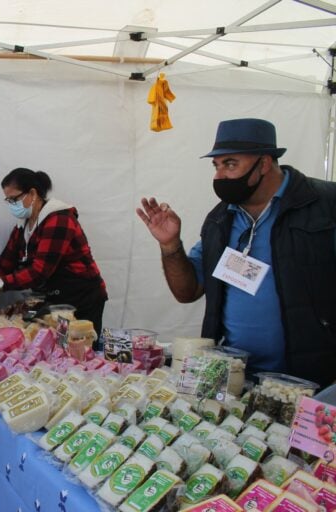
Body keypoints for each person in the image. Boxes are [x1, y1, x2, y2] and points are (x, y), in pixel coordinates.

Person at [136, 118, 336, 387]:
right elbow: (188, 292)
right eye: (216, 166)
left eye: (230, 164)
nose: (219, 176)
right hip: (236, 376)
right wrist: (170, 245)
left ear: (264, 163)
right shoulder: (220, 220)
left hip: (310, 378)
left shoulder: (324, 204)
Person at [0, 168, 108, 335]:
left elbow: (39, 272)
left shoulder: (59, 219)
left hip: (81, 298)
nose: (12, 206)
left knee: (78, 350)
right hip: (53, 299)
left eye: (14, 199)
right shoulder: (22, 226)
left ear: (32, 193)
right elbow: (5, 261)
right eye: (8, 201)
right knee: (51, 350)